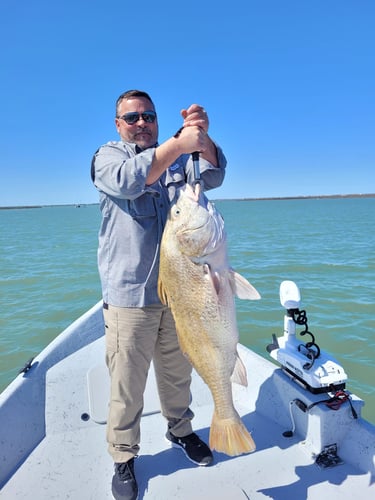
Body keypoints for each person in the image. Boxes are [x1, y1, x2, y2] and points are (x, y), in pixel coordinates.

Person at [91, 89, 227, 500]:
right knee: (127, 384)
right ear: (119, 125)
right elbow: (131, 181)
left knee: (176, 372)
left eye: (148, 115)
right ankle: (123, 456)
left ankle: (180, 430)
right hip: (130, 296)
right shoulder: (107, 158)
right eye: (131, 117)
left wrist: (201, 138)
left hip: (179, 294)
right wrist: (178, 144)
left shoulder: (180, 159)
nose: (141, 123)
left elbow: (215, 175)